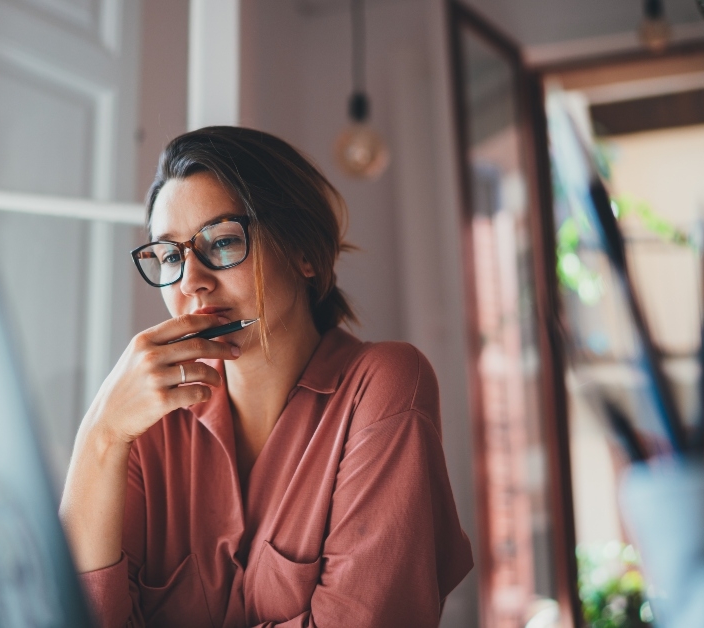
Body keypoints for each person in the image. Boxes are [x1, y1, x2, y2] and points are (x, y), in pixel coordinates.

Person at [60, 126, 472, 627]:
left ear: (302, 251)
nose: (192, 280)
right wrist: (100, 434)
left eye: (224, 241)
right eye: (171, 255)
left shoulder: (382, 385)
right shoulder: (145, 424)